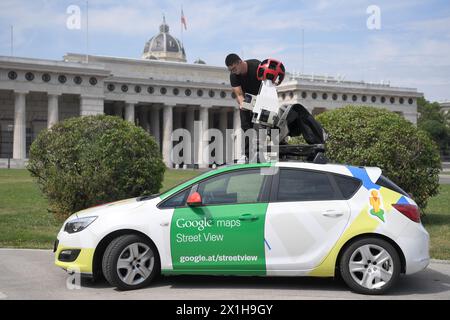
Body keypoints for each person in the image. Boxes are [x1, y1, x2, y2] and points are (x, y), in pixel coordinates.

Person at [225, 53, 261, 161]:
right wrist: (243, 104)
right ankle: (246, 155)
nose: (233, 71)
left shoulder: (256, 66)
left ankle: (265, 150)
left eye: (234, 68)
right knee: (245, 125)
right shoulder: (233, 76)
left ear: (239, 62)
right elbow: (239, 94)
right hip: (248, 99)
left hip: (261, 96)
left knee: (263, 124)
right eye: (230, 70)